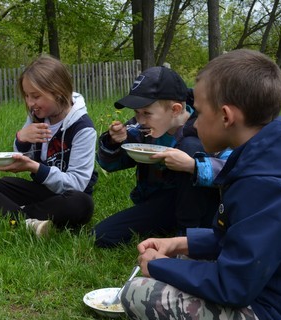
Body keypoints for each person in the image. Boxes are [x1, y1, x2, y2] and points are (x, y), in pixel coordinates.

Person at [121, 49, 281, 320]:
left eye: (198, 112)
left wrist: (157, 266)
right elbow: (247, 237)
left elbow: (233, 285)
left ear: (226, 116)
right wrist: (182, 243)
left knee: (136, 294)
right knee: (181, 260)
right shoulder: (280, 155)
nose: (193, 124)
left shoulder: (267, 185)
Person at [93, 66, 230, 247]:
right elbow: (109, 164)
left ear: (175, 109)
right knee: (101, 235)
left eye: (147, 113)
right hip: (161, 203)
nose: (140, 120)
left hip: (204, 209)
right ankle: (169, 229)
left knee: (190, 146)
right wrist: (113, 142)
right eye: (136, 113)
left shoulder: (205, 125)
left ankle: (187, 236)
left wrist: (191, 165)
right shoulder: (141, 128)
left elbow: (233, 171)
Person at [0, 55, 97, 236]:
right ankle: (28, 220)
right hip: (38, 191)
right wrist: (21, 140)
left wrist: (35, 168)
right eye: (26, 95)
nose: (29, 103)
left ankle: (13, 213)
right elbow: (25, 157)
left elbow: (77, 184)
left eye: (35, 96)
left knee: (82, 204)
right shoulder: (38, 116)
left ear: (58, 92)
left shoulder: (83, 128)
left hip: (66, 196)